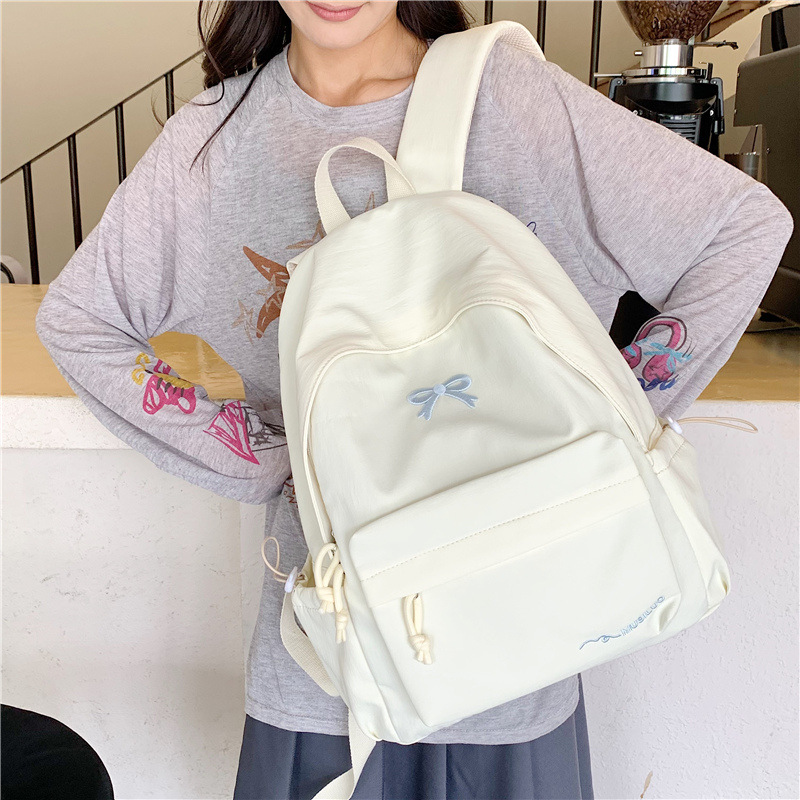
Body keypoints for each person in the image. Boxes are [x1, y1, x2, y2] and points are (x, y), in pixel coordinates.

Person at [34, 1, 794, 798]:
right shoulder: (214, 142)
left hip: (521, 664)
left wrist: (616, 417)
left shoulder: (510, 99)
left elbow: (742, 228)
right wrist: (268, 461)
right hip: (331, 677)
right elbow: (81, 320)